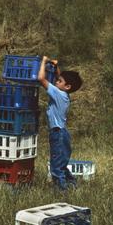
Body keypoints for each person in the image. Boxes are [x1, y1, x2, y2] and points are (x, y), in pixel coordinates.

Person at [37, 55, 83, 191]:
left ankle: (61, 191)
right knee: (61, 164)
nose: (56, 82)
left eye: (59, 81)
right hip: (62, 133)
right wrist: (57, 68)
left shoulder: (57, 93)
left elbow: (40, 79)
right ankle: (72, 185)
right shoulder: (64, 94)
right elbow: (61, 78)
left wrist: (44, 61)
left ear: (67, 86)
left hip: (58, 134)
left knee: (56, 166)